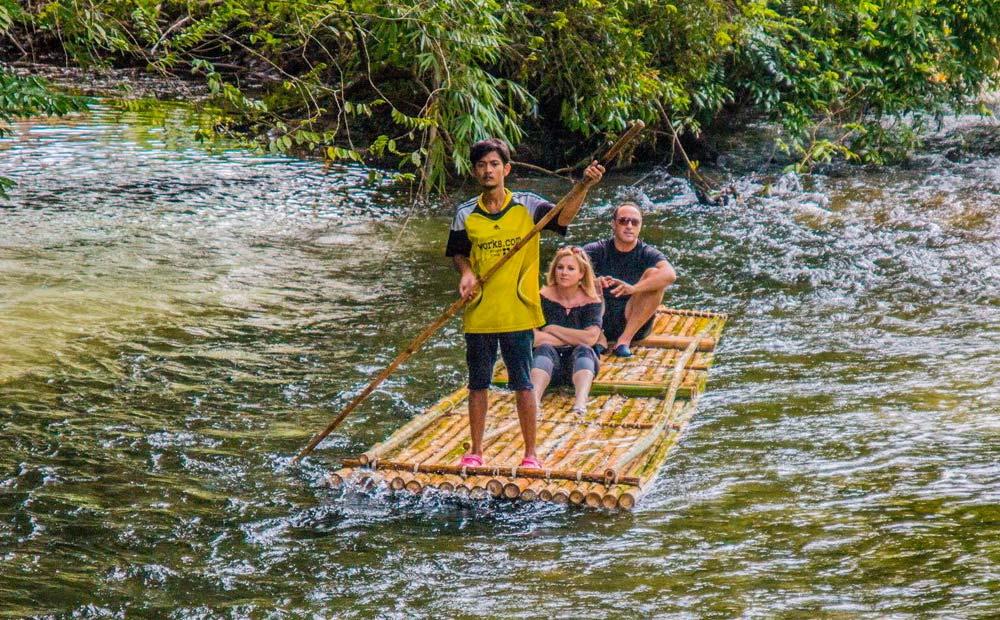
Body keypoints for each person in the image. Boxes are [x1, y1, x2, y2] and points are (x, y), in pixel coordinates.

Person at [445, 138, 604, 469]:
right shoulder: (465, 213)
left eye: (494, 164)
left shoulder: (528, 206)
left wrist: (584, 186)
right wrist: (467, 273)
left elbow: (563, 218)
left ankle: (531, 454)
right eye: (481, 165)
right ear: (474, 171)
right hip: (480, 312)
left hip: (518, 312)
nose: (488, 171)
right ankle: (475, 452)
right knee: (478, 383)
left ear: (506, 169)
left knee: (523, 383)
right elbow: (459, 253)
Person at [584, 202, 676, 358]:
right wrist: (594, 282)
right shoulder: (597, 249)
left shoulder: (647, 253)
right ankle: (599, 337)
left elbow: (670, 274)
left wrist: (634, 288)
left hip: (632, 317)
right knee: (578, 273)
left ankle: (624, 341)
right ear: (614, 224)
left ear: (640, 226)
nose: (629, 226)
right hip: (597, 317)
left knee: (654, 274)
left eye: (634, 222)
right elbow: (569, 260)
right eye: (623, 221)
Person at [530, 246, 603, 416]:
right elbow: (533, 338)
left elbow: (590, 339)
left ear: (581, 274)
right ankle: (534, 402)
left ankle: (580, 403)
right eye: (560, 267)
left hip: (579, 364)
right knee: (543, 349)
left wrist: (553, 329)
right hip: (548, 363)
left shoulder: (592, 301)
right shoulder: (541, 297)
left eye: (570, 269)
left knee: (584, 350)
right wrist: (575, 338)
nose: (564, 273)